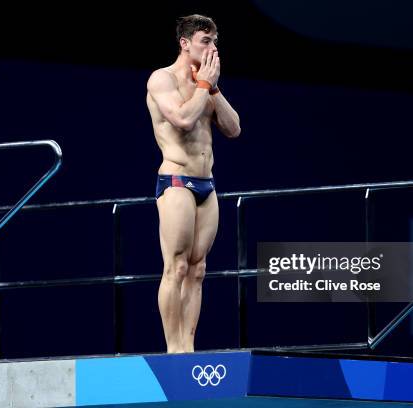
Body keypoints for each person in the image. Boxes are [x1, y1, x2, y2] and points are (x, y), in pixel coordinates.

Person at [146, 14, 241, 353]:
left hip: (207, 185)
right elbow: (184, 119)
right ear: (185, 44)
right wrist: (203, 86)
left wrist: (213, 87)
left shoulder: (207, 84)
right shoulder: (162, 79)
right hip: (175, 181)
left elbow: (233, 129)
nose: (213, 48)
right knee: (176, 266)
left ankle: (189, 346)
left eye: (215, 41)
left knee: (198, 270)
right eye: (206, 41)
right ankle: (173, 349)